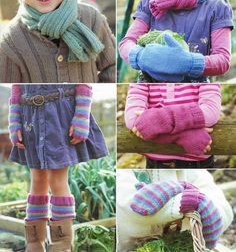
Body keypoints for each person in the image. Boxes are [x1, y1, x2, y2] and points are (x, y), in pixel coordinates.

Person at [8, 83, 108, 252]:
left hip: (60, 117)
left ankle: (62, 243)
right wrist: (14, 121)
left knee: (57, 180)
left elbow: (83, 82)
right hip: (30, 120)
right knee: (37, 180)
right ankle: (34, 241)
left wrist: (81, 117)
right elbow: (16, 87)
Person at [117, 169, 233, 252]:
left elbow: (224, 209)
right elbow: (131, 207)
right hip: (132, 246)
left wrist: (198, 201)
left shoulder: (192, 170)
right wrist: (183, 200)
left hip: (190, 245)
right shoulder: (125, 172)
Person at [125, 83, 221, 168]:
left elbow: (210, 113)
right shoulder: (142, 79)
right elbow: (134, 121)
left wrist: (162, 118)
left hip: (198, 162)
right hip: (156, 161)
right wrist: (184, 136)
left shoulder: (205, 76)